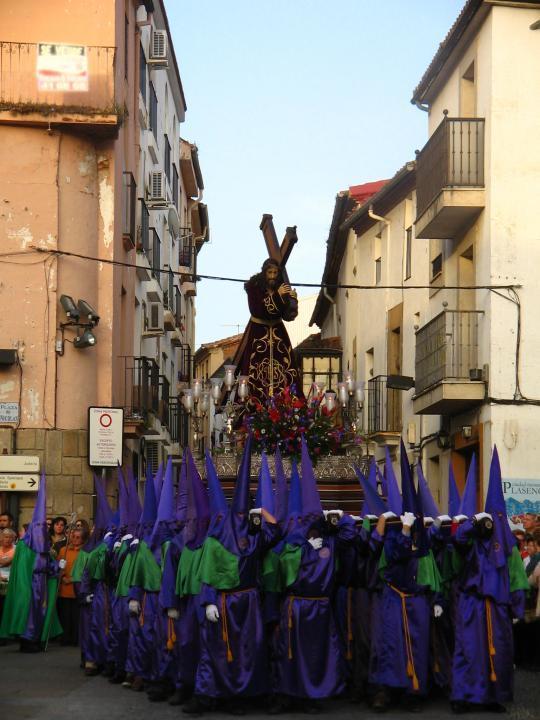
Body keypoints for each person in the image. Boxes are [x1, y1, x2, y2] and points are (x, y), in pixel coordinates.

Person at [232, 258, 302, 409]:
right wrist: (277, 296)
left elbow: (287, 316)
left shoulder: (282, 288)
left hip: (278, 335)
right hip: (258, 333)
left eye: (275, 273)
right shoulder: (254, 287)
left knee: (286, 371)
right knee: (255, 374)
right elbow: (258, 310)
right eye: (269, 272)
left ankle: (287, 408)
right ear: (264, 272)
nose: (272, 276)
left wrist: (293, 303)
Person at [56, 528, 85, 645]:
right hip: (64, 588)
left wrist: (73, 579)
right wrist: (62, 577)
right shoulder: (64, 550)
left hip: (77, 588)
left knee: (76, 616)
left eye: (78, 537)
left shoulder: (85, 552)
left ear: (83, 539)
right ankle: (65, 637)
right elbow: (59, 567)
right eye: (73, 537)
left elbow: (85, 570)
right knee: (65, 615)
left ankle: (75, 638)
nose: (75, 539)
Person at [0, 528, 17, 624]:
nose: (8, 539)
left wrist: (4, 561)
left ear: (14, 539)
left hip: (11, 579)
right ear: (2, 538)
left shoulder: (17, 550)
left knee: (6, 605)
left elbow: (5, 562)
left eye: (10, 537)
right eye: (5, 537)